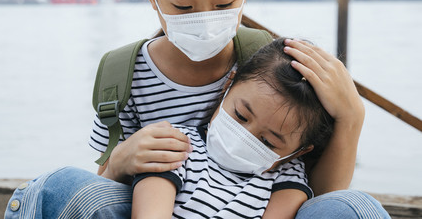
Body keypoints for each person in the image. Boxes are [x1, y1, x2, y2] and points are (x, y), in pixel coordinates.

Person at [5, 0, 390, 219]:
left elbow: (320, 202)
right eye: (183, 5)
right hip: (149, 206)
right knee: (70, 188)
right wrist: (121, 162)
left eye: (224, 3)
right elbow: (100, 195)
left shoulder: (269, 69)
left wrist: (351, 117)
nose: (205, 19)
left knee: (356, 207)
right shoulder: (123, 77)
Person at [132, 37, 334, 219]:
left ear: (296, 153)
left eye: (267, 142)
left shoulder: (287, 177)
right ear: (228, 86)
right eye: (240, 115)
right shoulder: (173, 144)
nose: (244, 136)